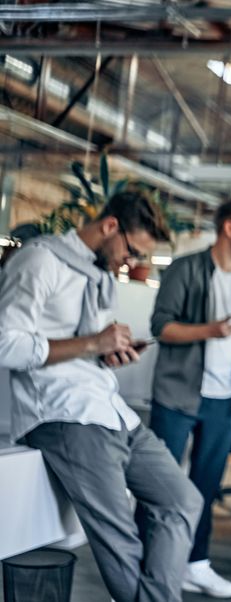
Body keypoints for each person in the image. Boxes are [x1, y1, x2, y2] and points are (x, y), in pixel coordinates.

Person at [0, 190, 202, 602]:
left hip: (111, 411)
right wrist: (93, 342)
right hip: (63, 416)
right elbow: (6, 344)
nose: (133, 264)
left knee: (183, 500)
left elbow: (84, 351)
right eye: (132, 252)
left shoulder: (100, 276)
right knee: (121, 541)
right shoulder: (41, 260)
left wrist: (106, 354)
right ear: (110, 227)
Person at [149, 198, 231, 598]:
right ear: (229, 228)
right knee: (159, 482)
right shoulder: (185, 269)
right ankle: (151, 559)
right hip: (178, 394)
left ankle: (196, 563)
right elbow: (161, 326)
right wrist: (210, 330)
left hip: (225, 401)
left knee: (205, 484)